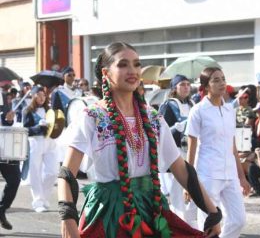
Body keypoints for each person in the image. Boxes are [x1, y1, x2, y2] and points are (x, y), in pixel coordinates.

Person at [57, 42, 221, 238]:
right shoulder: (92, 117)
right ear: (106, 73)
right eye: (123, 64)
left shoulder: (153, 118)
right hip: (109, 216)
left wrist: (213, 212)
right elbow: (67, 173)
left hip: (151, 211)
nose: (132, 70)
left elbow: (181, 168)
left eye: (136, 64)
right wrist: (68, 218)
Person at [186, 67, 250, 238]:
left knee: (239, 220)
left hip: (230, 174)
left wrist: (242, 176)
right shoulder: (198, 111)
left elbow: (233, 146)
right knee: (208, 223)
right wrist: (189, 181)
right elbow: (191, 146)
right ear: (206, 86)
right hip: (208, 173)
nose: (222, 83)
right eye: (216, 80)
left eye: (223, 78)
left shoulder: (230, 110)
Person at [158, 74, 197, 228]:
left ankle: (189, 221)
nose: (186, 87)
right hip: (176, 151)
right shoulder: (169, 104)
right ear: (175, 88)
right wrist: (177, 128)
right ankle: (178, 222)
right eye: (182, 84)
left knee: (192, 186)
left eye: (188, 84)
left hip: (192, 150)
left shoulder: (193, 103)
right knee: (177, 189)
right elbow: (162, 130)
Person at [23, 85, 57, 212]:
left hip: (50, 142)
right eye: (39, 95)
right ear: (33, 95)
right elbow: (26, 130)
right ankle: (38, 202)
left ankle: (44, 197)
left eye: (44, 95)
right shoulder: (27, 111)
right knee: (35, 172)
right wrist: (38, 127)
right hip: (35, 142)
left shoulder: (50, 110)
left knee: (52, 172)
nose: (42, 98)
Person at [0, 93, 20, 230]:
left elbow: (6, 118)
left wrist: (8, 120)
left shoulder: (2, 95)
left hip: (4, 146)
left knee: (14, 180)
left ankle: (1, 209)